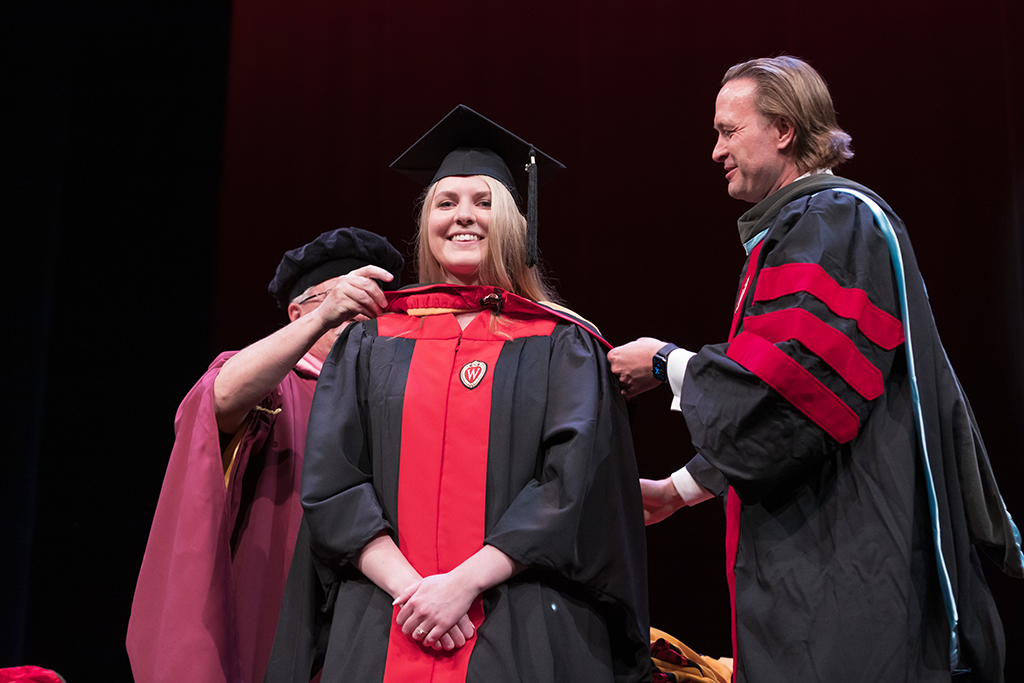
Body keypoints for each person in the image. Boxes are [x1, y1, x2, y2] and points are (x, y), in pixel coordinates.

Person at [608, 56, 1023, 682]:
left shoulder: (831, 219)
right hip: (824, 559)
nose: (715, 150)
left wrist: (666, 362)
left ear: (783, 130)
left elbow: (793, 389)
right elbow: (796, 397)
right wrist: (678, 492)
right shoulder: (805, 227)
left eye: (728, 130)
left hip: (848, 559)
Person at [265, 105, 650, 683]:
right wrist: (414, 591)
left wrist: (464, 584)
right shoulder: (372, 339)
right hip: (386, 613)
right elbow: (334, 481)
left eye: (484, 202)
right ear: (426, 222)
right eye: (445, 203)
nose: (462, 217)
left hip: (518, 619)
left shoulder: (563, 343)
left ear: (516, 222)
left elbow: (571, 483)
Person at [127, 228, 404, 683]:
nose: (358, 321)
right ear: (299, 312)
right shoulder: (278, 386)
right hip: (278, 606)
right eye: (342, 304)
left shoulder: (394, 404)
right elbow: (216, 400)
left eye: (373, 311)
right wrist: (323, 318)